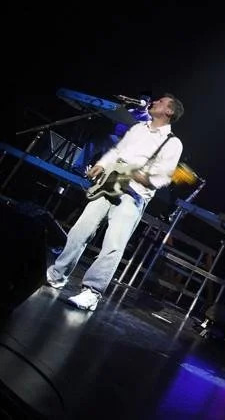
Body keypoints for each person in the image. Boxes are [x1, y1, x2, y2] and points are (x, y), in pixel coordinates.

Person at [45, 94, 184, 311]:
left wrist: (144, 177)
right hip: (110, 183)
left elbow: (164, 176)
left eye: (161, 102)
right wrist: (101, 164)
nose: (155, 101)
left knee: (113, 244)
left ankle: (92, 292)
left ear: (169, 112)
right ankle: (57, 275)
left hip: (134, 193)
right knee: (80, 231)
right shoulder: (138, 129)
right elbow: (118, 151)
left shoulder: (172, 143)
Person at [74, 92, 153, 173]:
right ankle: (79, 168)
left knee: (105, 148)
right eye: (141, 99)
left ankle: (96, 173)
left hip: (122, 142)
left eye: (145, 100)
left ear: (149, 104)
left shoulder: (147, 118)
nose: (142, 101)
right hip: (112, 136)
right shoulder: (130, 111)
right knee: (93, 142)